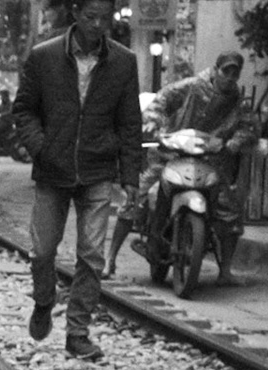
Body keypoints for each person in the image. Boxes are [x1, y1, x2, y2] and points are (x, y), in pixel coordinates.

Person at [9, 0, 145, 362]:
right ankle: (44, 299)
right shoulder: (44, 56)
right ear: (75, 14)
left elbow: (130, 123)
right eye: (90, 17)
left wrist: (130, 176)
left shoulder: (123, 62)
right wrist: (42, 148)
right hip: (52, 171)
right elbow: (24, 110)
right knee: (42, 251)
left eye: (105, 18)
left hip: (98, 170)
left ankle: (78, 332)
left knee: (91, 254)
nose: (97, 25)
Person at [109, 50, 256, 284]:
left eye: (234, 73)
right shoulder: (191, 86)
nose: (229, 77)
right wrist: (154, 123)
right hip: (169, 156)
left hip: (210, 163)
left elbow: (248, 127)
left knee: (230, 211)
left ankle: (225, 270)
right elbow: (161, 100)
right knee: (136, 197)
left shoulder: (238, 102)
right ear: (216, 70)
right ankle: (110, 259)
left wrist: (234, 143)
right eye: (225, 71)